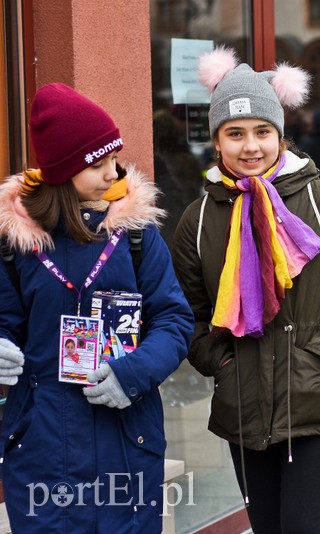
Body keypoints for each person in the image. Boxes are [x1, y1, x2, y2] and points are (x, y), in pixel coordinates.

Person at [170, 47, 320, 534]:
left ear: (279, 135)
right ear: (217, 141)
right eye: (235, 133)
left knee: (303, 527)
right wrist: (223, 366)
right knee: (268, 528)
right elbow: (188, 314)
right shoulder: (199, 218)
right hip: (243, 408)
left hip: (314, 402)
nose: (251, 146)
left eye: (262, 132)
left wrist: (316, 358)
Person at [0, 82, 193, 531]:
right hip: (42, 445)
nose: (113, 173)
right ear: (63, 172)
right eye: (97, 164)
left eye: (113, 159)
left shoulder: (137, 234)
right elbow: (6, 322)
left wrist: (132, 374)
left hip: (127, 440)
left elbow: (174, 320)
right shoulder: (16, 245)